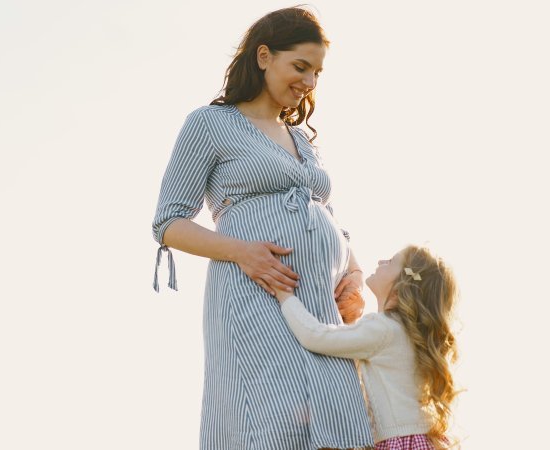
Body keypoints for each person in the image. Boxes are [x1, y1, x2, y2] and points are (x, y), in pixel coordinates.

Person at [152, 6, 373, 449]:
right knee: (271, 417)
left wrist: (353, 272)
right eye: (300, 67)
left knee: (344, 421)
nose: (310, 82)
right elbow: (168, 222)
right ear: (264, 56)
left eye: (317, 73)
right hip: (254, 292)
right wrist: (243, 252)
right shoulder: (211, 124)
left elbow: (325, 217)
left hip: (320, 305)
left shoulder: (303, 142)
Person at [273, 245, 460, 450]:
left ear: (401, 286)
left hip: (398, 441)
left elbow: (315, 336)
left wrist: (285, 295)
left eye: (390, 261)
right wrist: (351, 321)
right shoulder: (404, 332)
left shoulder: (383, 329)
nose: (381, 262)